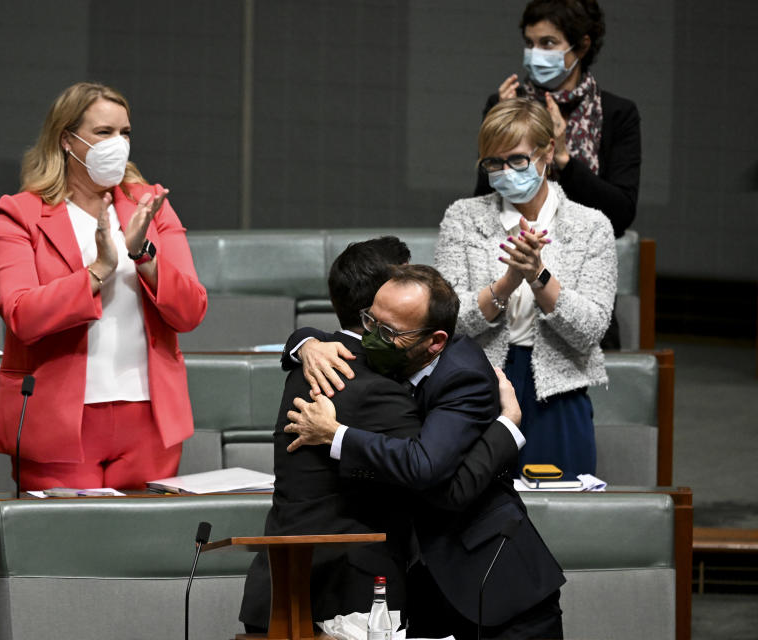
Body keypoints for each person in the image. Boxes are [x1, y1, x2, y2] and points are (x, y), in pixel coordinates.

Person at [239, 239, 525, 634]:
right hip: (346, 596)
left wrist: (302, 343)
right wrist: (508, 425)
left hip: (284, 588)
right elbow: (444, 484)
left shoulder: (312, 362)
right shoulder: (375, 387)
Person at [285, 265, 565, 639]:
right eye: (371, 320)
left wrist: (337, 435)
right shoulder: (395, 352)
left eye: (387, 332)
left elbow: (426, 468)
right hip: (427, 588)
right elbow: (333, 337)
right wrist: (306, 345)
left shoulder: (462, 375)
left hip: (498, 588)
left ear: (434, 341)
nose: (372, 338)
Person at [0, 82, 207, 490]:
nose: (118, 144)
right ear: (66, 140)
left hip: (149, 419)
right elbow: (21, 315)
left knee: (144, 548)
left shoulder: (150, 204)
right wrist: (98, 269)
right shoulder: (20, 214)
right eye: (104, 133)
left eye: (125, 133)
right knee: (66, 547)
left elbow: (191, 310)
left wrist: (143, 254)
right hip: (58, 423)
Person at [439, 97, 616, 479]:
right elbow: (447, 321)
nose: (505, 172)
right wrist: (507, 283)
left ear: (548, 150)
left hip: (558, 390)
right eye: (493, 163)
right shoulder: (462, 218)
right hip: (479, 386)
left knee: (557, 518)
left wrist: (539, 276)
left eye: (517, 160)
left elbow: (590, 331)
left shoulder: (591, 226)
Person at [477, 0, 641, 241]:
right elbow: (482, 202)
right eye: (530, 44)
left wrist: (564, 159)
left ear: (582, 46)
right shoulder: (504, 102)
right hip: (511, 243)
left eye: (548, 43)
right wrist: (502, 127)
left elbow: (621, 214)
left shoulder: (618, 113)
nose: (535, 54)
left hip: (585, 250)